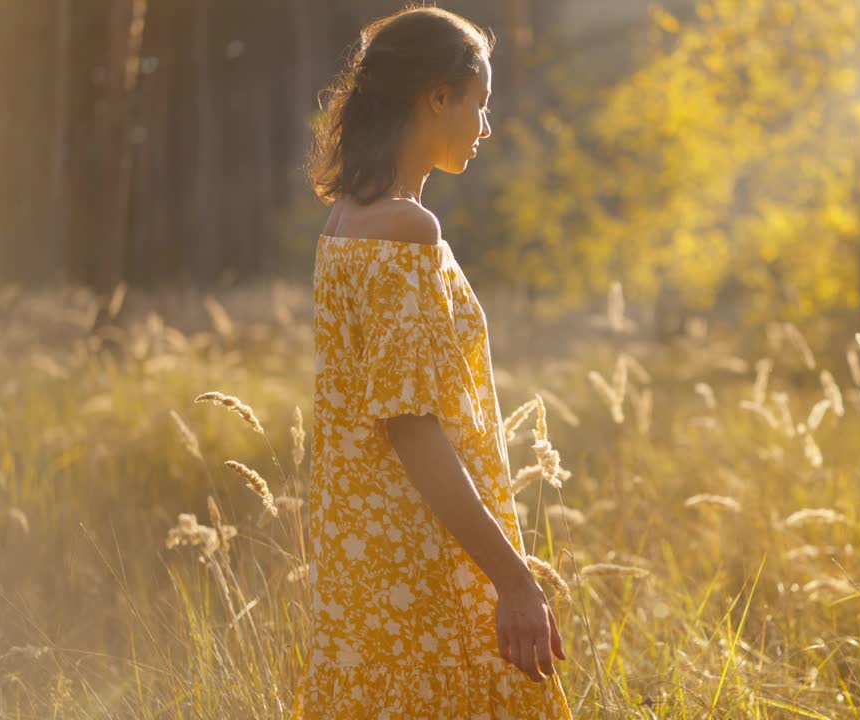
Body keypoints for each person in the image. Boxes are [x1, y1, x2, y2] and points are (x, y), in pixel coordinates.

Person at [292, 6, 573, 718]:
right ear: (435, 95)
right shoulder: (406, 229)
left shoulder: (346, 222)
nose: (484, 126)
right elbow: (411, 427)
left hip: (366, 556)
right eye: (477, 103)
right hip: (416, 556)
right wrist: (513, 580)